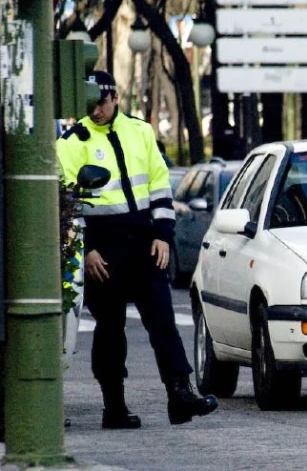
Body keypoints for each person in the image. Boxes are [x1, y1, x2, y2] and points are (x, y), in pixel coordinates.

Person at [56, 71, 218, 429]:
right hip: (104, 250)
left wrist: (163, 234)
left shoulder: (141, 132)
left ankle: (180, 395)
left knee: (163, 321)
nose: (95, 110)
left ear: (115, 97)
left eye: (100, 101)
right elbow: (67, 202)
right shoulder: (71, 141)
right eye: (89, 104)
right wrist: (88, 249)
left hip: (144, 244)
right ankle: (114, 407)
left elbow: (160, 186)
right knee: (111, 328)